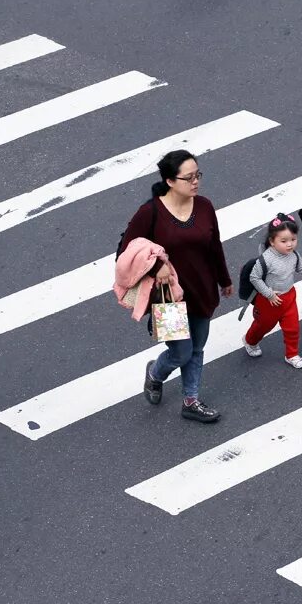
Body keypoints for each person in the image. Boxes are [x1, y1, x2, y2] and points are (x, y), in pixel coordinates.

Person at [118, 150, 233, 423]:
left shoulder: (204, 206)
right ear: (170, 181)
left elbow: (214, 245)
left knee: (196, 348)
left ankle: (191, 401)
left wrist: (224, 280)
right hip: (168, 298)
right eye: (189, 177)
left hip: (203, 289)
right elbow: (127, 252)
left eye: (198, 175)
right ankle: (155, 373)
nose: (196, 182)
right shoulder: (150, 213)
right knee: (181, 352)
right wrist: (158, 268)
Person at [243, 213, 302, 368]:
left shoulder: (294, 255)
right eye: (284, 241)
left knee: (292, 328)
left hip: (288, 297)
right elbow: (255, 278)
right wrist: (269, 294)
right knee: (262, 327)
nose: (290, 244)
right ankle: (249, 341)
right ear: (272, 241)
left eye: (293, 239)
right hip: (268, 302)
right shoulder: (265, 260)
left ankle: (292, 355)